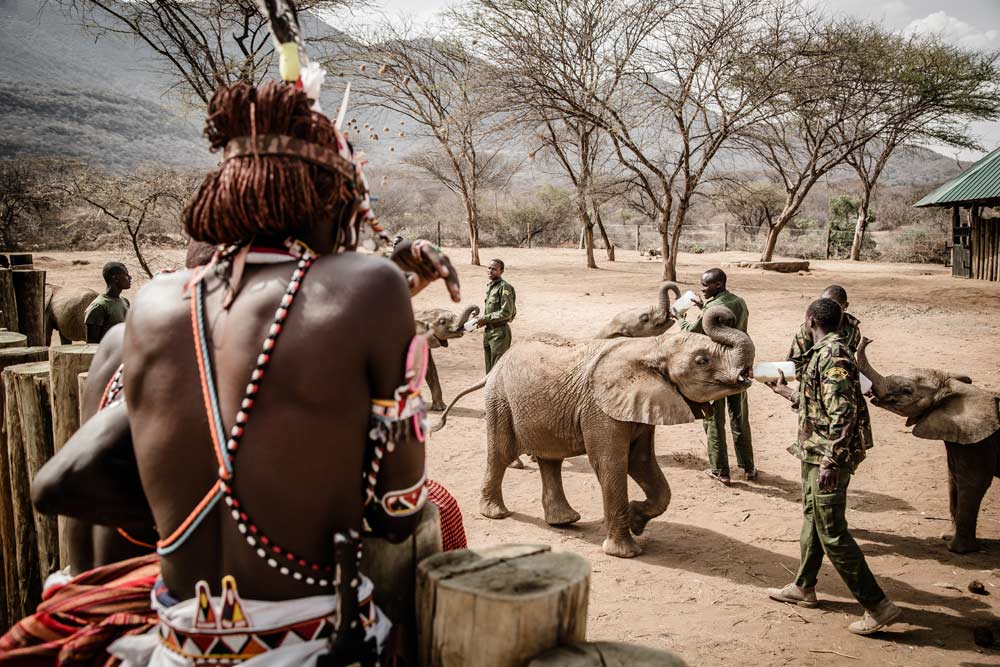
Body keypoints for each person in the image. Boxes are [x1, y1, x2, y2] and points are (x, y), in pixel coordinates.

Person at [764, 298, 900, 635]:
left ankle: (877, 604)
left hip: (828, 457)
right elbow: (820, 403)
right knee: (813, 516)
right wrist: (784, 392)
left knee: (832, 531)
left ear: (810, 320)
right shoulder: (826, 351)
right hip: (816, 451)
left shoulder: (833, 355)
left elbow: (844, 414)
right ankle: (804, 586)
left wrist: (832, 459)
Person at [679, 268, 754, 484]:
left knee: (714, 420)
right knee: (740, 418)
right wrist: (705, 308)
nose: (702, 288)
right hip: (738, 368)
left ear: (718, 285)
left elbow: (692, 331)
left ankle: (720, 470)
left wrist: (680, 318)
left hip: (716, 373)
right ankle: (748, 467)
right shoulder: (740, 302)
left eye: (705, 285)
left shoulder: (712, 307)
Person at [787, 285, 861, 377]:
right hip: (813, 381)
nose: (826, 306)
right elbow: (794, 364)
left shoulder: (852, 329)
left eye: (833, 303)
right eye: (822, 301)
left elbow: (848, 358)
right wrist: (815, 380)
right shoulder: (811, 327)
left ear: (845, 306)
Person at [476, 258, 516, 373]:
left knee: (497, 372)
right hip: (488, 332)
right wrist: (481, 321)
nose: (490, 271)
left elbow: (507, 313)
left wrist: (485, 318)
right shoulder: (491, 287)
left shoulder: (505, 287)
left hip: (499, 334)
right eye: (489, 268)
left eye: (494, 269)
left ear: (501, 271)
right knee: (489, 372)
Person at [84, 262, 132, 343]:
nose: (130, 278)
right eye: (126, 275)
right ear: (115, 278)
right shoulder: (99, 307)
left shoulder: (125, 301)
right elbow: (91, 345)